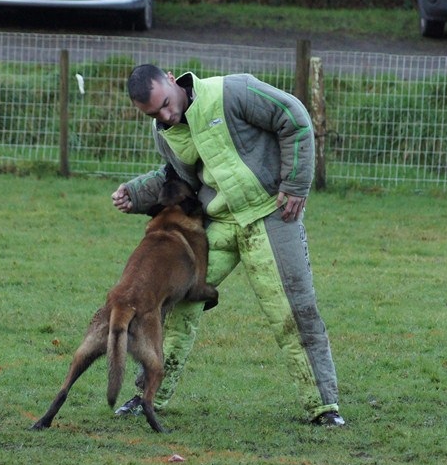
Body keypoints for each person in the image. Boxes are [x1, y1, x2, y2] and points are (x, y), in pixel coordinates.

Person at [109, 64, 344, 427]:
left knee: (293, 312)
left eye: (166, 105)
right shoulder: (166, 132)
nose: (166, 116)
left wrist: (295, 184)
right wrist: (135, 193)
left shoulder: (233, 92)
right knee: (175, 301)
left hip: (272, 214)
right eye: (154, 114)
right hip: (217, 224)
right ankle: (148, 397)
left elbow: (293, 117)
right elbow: (175, 178)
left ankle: (324, 407)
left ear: (172, 79)